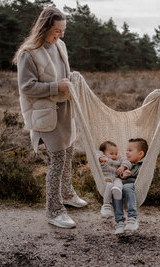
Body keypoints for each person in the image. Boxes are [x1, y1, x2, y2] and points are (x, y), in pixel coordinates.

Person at [13, 7, 87, 229]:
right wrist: (56, 86)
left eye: (63, 30)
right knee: (58, 159)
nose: (61, 35)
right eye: (57, 30)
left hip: (65, 109)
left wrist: (70, 79)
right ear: (45, 27)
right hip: (47, 112)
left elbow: (61, 73)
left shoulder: (60, 45)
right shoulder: (29, 53)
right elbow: (27, 87)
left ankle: (66, 193)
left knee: (70, 151)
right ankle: (54, 210)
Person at [113, 138, 148, 234]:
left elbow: (142, 178)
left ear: (141, 154)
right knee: (115, 191)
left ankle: (132, 218)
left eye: (130, 151)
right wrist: (122, 175)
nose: (127, 153)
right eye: (127, 150)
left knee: (127, 187)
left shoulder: (143, 165)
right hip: (121, 187)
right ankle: (120, 222)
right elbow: (117, 175)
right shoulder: (124, 163)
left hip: (133, 187)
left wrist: (129, 175)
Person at [97, 141, 131, 217]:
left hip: (116, 178)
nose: (114, 156)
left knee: (119, 181)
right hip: (106, 178)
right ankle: (106, 206)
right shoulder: (102, 159)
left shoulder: (118, 160)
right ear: (103, 153)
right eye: (111, 154)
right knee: (109, 184)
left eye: (116, 154)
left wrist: (123, 167)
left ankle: (117, 191)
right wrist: (101, 158)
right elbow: (95, 154)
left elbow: (127, 161)